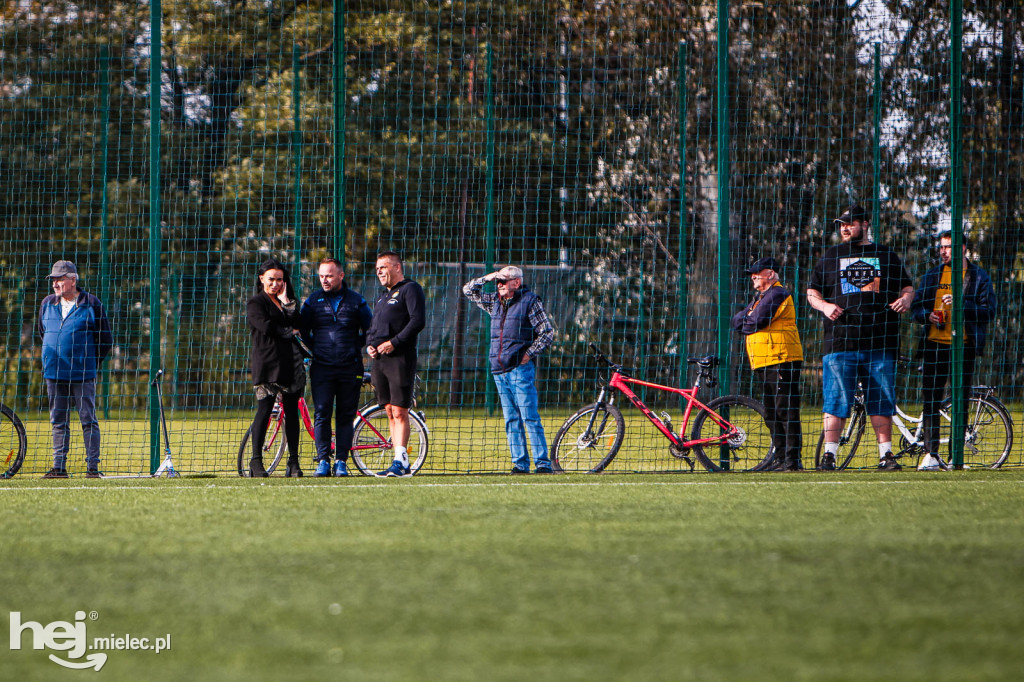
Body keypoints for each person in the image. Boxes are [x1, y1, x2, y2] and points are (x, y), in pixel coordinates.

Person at [807, 205, 914, 471]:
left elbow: (908, 287)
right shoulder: (831, 256)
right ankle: (829, 456)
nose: (844, 228)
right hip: (841, 343)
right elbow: (811, 293)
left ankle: (886, 456)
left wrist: (905, 299)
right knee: (836, 400)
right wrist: (825, 306)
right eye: (841, 224)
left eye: (849, 223)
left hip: (881, 342)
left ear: (865, 224)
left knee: (881, 400)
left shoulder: (886, 255)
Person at [911, 231, 996, 471]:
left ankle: (955, 457)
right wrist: (927, 316)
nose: (943, 251)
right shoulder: (933, 275)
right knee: (931, 401)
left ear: (963, 249)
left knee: (960, 402)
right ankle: (931, 455)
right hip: (934, 345)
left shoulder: (979, 277)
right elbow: (917, 307)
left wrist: (960, 304)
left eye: (948, 247)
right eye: (941, 247)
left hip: (963, 347)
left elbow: (989, 311)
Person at [463, 265, 556, 474]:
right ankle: (520, 464)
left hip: (520, 369)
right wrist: (490, 276)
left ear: (517, 282)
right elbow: (468, 290)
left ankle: (542, 464)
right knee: (511, 419)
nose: (499, 284)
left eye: (504, 281)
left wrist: (528, 354)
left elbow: (547, 333)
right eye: (498, 281)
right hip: (499, 370)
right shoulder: (494, 302)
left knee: (529, 416)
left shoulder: (530, 301)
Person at [38, 260, 113, 479]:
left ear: (73, 280)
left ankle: (92, 468)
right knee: (58, 421)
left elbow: (105, 339)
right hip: (54, 372)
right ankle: (59, 468)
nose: (55, 284)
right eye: (53, 280)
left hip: (83, 374)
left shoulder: (91, 303)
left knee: (88, 420)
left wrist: (89, 361)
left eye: (59, 279)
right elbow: (43, 332)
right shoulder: (46, 303)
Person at [300, 258, 373, 477]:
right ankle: (323, 461)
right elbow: (302, 332)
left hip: (350, 367)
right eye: (321, 275)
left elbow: (370, 330)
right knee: (321, 413)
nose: (324, 280)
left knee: (345, 416)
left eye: (329, 275)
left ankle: (341, 461)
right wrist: (315, 350)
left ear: (341, 276)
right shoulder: (312, 301)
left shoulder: (356, 301)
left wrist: (353, 347)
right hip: (322, 368)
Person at [731, 257, 804, 471]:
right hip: (764, 360)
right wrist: (749, 317)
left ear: (770, 274)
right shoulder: (760, 297)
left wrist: (750, 318)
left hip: (782, 359)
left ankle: (792, 460)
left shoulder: (778, 293)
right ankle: (780, 458)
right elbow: (737, 321)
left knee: (785, 410)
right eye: (752, 273)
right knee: (771, 412)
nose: (753, 276)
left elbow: (757, 321)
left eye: (757, 272)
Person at [366, 251, 426, 477]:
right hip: (380, 361)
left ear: (397, 267)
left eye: (383, 267)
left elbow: (417, 321)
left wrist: (395, 342)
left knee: (400, 410)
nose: (379, 271)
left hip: (400, 358)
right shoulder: (382, 296)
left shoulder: (410, 289)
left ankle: (402, 462)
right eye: (377, 268)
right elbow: (373, 327)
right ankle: (397, 461)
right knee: (389, 410)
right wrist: (370, 344)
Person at [246, 259, 305, 478]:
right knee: (264, 411)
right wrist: (289, 330)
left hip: (291, 364)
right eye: (271, 279)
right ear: (262, 279)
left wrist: (287, 304)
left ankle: (294, 462)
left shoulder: (288, 301)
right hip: (268, 365)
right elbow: (267, 327)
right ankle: (256, 462)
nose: (276, 284)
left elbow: (299, 323)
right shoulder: (256, 303)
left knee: (292, 413)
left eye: (279, 280)